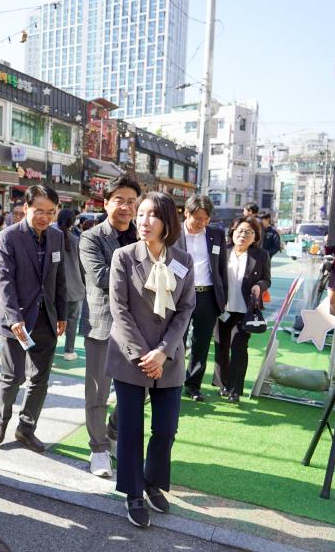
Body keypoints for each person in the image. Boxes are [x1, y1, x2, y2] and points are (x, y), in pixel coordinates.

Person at [106, 191, 195, 529]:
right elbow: (120, 309)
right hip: (131, 357)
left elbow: (186, 309)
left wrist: (164, 351)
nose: (143, 221)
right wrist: (144, 354)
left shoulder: (182, 260)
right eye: (140, 214)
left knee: (166, 428)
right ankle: (131, 492)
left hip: (168, 358)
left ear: (167, 222)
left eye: (151, 216)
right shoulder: (124, 256)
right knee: (130, 429)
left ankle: (151, 481)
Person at [0, 186, 67, 453]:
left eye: (50, 212)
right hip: (17, 319)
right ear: (26, 208)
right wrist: (14, 317)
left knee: (40, 379)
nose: (44, 217)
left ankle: (26, 428)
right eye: (39, 211)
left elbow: (59, 277)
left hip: (46, 317)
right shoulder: (8, 237)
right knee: (12, 377)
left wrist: (62, 312)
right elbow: (5, 281)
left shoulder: (57, 237)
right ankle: (2, 418)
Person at [79, 174, 142, 478]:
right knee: (97, 392)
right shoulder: (91, 238)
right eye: (120, 200)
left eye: (131, 201)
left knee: (139, 391)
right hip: (102, 324)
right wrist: (143, 278)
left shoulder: (144, 236)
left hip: (139, 328)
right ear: (106, 203)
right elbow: (101, 278)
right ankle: (98, 449)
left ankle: (114, 433)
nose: (126, 207)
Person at [173, 196, 228, 403]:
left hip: (208, 295)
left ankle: (193, 385)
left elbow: (221, 267)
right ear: (186, 213)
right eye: (197, 218)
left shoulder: (216, 235)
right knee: (176, 340)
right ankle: (172, 382)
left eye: (206, 218)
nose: (201, 223)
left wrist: (224, 299)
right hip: (180, 295)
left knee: (201, 343)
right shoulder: (174, 233)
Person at [215, 216, 271, 403]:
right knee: (221, 348)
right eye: (240, 231)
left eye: (249, 232)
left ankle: (235, 390)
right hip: (222, 309)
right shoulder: (224, 250)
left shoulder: (260, 255)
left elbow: (266, 279)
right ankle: (223, 385)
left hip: (244, 311)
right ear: (233, 232)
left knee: (239, 348)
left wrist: (259, 286)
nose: (243, 235)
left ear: (255, 236)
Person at [56, 208, 86, 361]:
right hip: (74, 287)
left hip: (54, 288)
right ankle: (69, 351)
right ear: (73, 221)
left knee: (52, 319)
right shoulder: (76, 240)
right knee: (72, 320)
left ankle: (50, 348)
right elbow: (82, 266)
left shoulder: (52, 236)